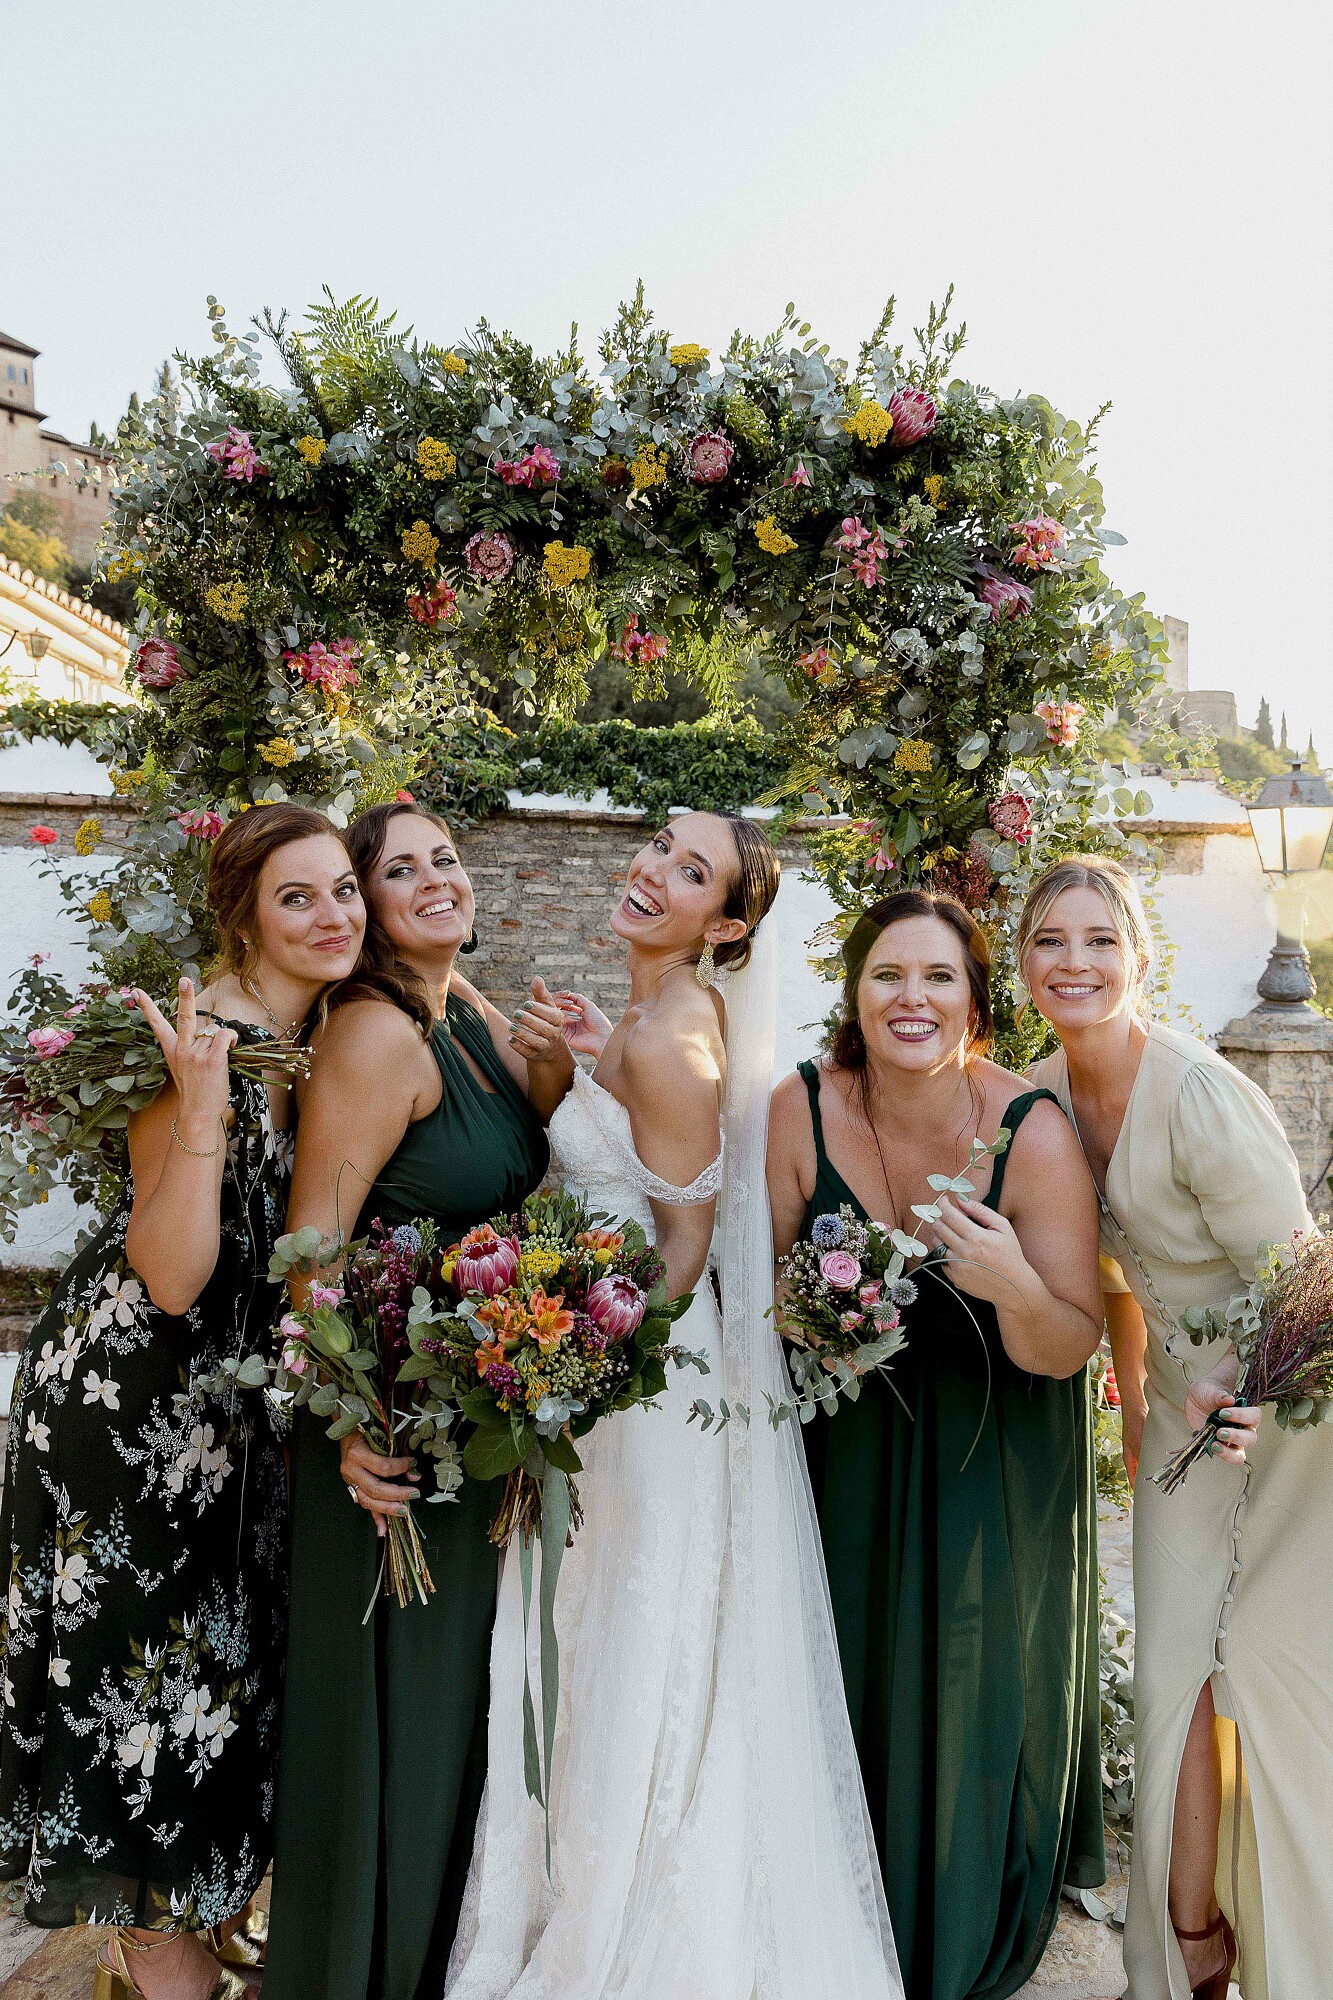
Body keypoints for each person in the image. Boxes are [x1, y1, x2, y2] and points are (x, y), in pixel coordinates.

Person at [445, 812, 905, 2000]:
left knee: (626, 1625)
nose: (653, 869)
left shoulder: (673, 1038)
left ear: (729, 921)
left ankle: (622, 1915)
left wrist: (566, 1356)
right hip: (620, 1367)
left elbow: (686, 1248)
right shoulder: (650, 1019)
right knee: (607, 1620)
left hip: (637, 1381)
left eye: (690, 871)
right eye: (657, 845)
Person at [0, 805, 366, 2000]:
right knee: (139, 1707)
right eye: (297, 896)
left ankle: (182, 1955)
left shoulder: (318, 1036)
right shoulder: (199, 1038)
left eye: (341, 891)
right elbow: (170, 1274)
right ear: (243, 914)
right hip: (128, 1418)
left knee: (213, 1696)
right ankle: (166, 1979)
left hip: (229, 1425)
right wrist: (202, 1116)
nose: (333, 915)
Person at [766, 888, 1108, 2000]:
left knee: (969, 1689)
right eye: (886, 975)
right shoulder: (801, 1105)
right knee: (844, 1673)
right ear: (854, 995)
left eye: (937, 977)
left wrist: (1012, 1281)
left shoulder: (1032, 1131)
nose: (910, 997)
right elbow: (759, 1301)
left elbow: (1066, 1345)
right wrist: (812, 1317)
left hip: (992, 1452)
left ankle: (955, 1921)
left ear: (974, 1004)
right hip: (843, 1449)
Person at [263, 802, 573, 2000]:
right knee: (390, 1732)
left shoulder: (472, 1013)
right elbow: (311, 1253)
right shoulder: (374, 1036)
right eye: (399, 871)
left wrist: (547, 1072)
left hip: (467, 1422)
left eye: (445, 858)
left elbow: (525, 1140)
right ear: (366, 903)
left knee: (453, 1726)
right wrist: (348, 1427)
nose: (436, 880)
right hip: (389, 1437)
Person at [1020, 854, 1324, 2000]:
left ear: (1138, 959)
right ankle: (1190, 1937)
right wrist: (1133, 1388)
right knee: (1171, 1679)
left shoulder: (1195, 1091)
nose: (1075, 961)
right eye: (1051, 939)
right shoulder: (1042, 1095)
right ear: (1027, 965)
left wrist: (1249, 1388)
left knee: (1268, 1677)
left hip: (1286, 1416)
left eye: (1099, 939)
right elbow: (1111, 1272)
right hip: (1178, 1421)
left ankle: (1286, 1946)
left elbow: (1304, 1281)